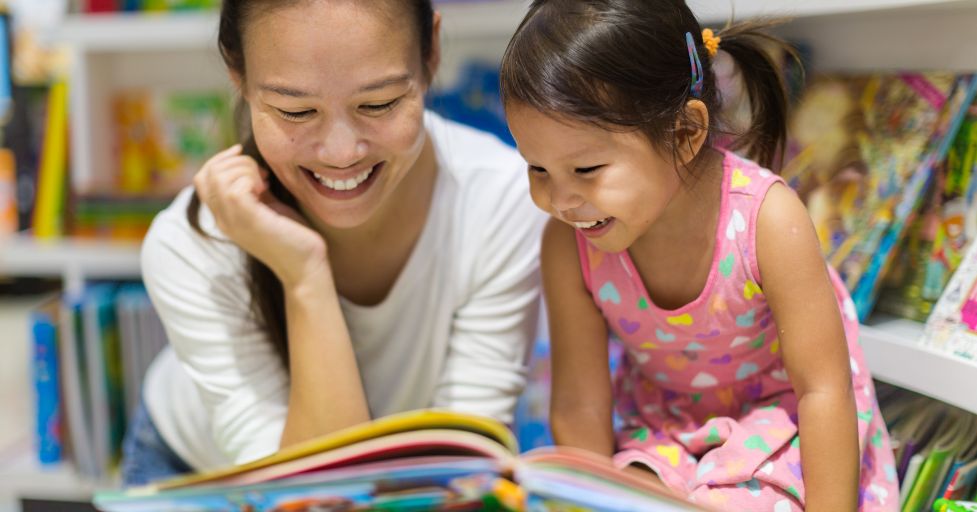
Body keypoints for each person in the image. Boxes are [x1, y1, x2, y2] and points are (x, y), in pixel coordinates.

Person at [121, 0, 545, 486]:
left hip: (404, 483)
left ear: (431, 52)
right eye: (296, 111)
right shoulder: (192, 245)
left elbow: (463, 466)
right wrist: (304, 276)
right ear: (236, 72)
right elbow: (313, 497)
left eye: (378, 103)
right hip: (198, 470)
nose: (342, 153)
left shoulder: (501, 200)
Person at [499, 1, 898, 511]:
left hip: (785, 424)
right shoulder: (567, 242)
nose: (560, 200)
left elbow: (824, 392)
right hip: (666, 432)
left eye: (587, 169)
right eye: (537, 169)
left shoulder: (768, 220)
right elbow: (580, 406)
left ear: (685, 133)